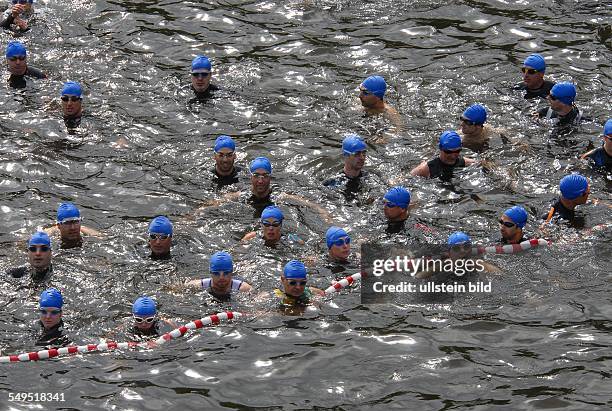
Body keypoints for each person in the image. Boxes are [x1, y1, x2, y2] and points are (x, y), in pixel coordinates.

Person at [185, 251, 252, 301]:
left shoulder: (244, 288)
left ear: (231, 272)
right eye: (216, 274)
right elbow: (177, 290)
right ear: (211, 272)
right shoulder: (198, 285)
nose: (221, 277)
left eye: (226, 273)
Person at [410, 130, 475, 180]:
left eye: (457, 151)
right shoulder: (426, 169)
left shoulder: (465, 162)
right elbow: (407, 179)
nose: (453, 156)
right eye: (448, 151)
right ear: (441, 148)